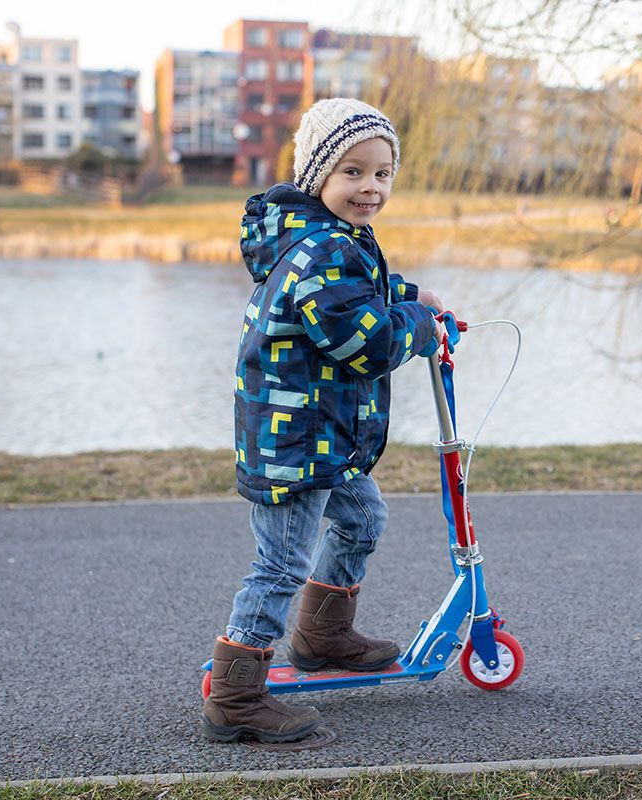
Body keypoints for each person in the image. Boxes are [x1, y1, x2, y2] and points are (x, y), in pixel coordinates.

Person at [201, 98, 446, 744]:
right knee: (280, 562)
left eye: (382, 174)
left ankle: (323, 634)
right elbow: (363, 340)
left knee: (364, 518)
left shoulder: (333, 242)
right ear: (318, 177)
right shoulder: (319, 251)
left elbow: (356, 295)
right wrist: (415, 328)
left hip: (320, 435)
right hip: (294, 440)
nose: (370, 188)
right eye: (353, 173)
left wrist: (409, 296)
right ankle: (235, 695)